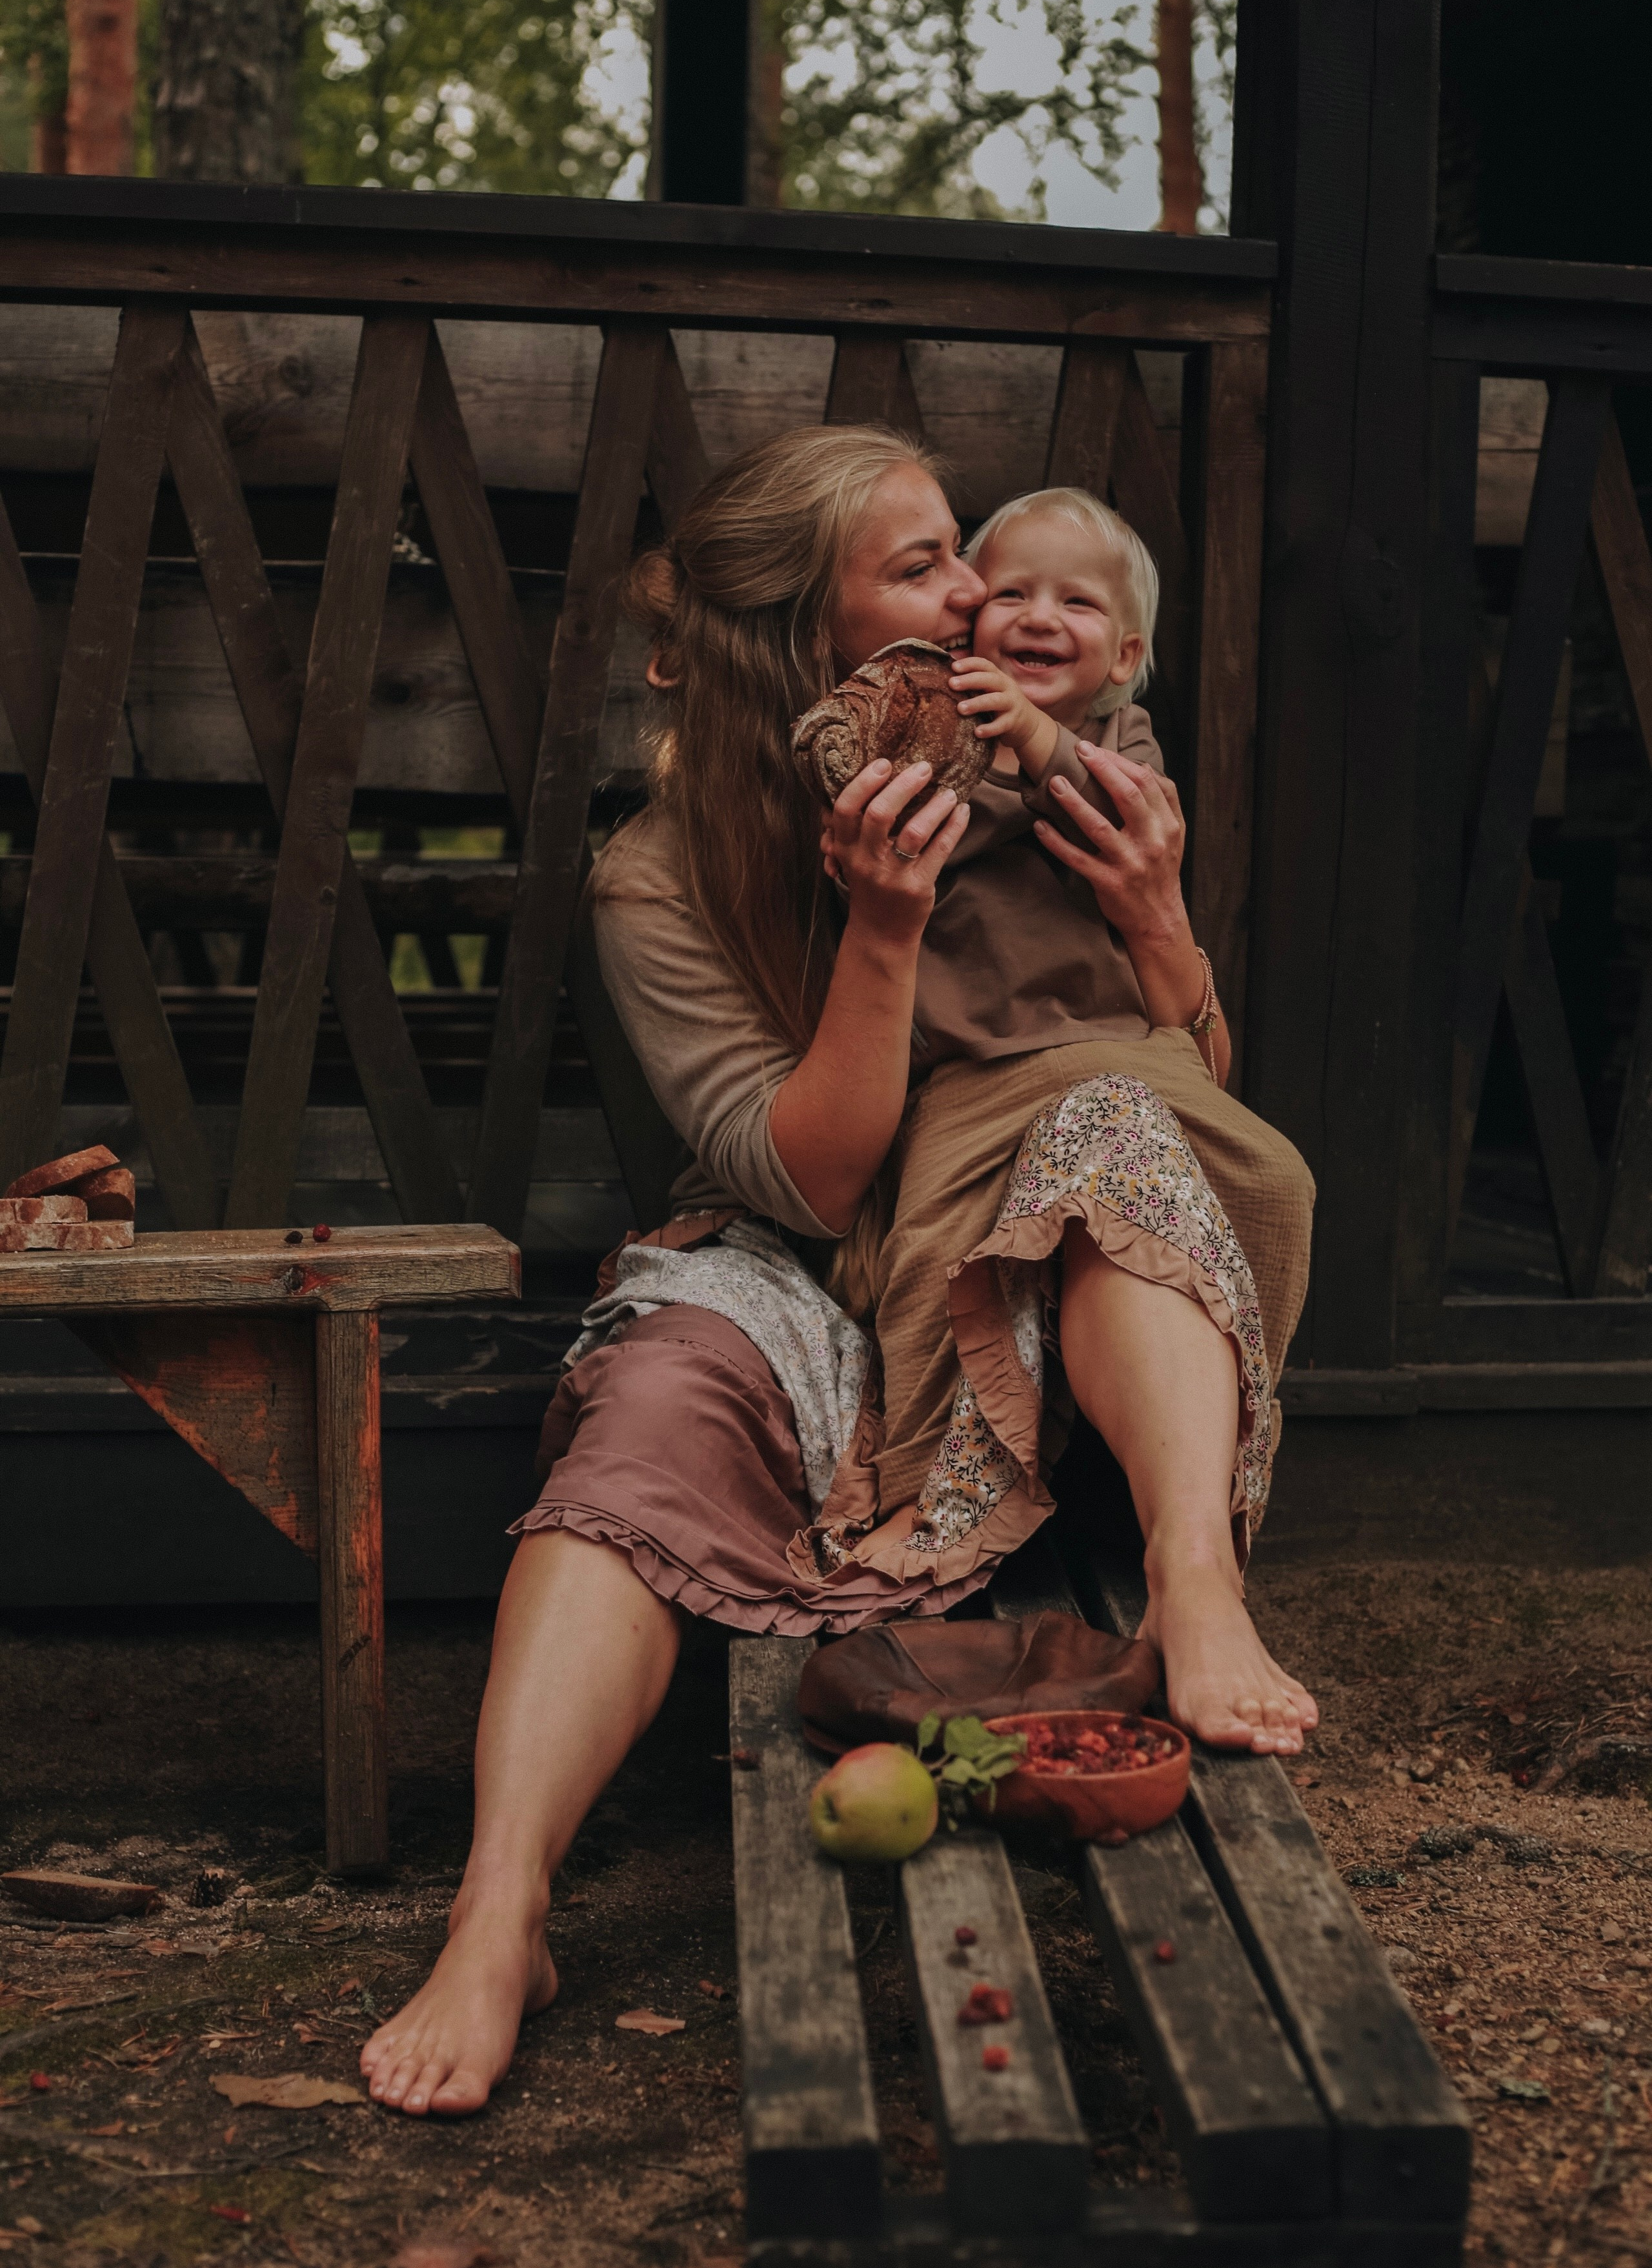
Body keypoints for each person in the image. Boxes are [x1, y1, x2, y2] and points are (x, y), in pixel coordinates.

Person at [359, 425, 1318, 2121]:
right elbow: (809, 1176)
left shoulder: (1036, 777)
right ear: (805, 635)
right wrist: (881, 932)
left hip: (1025, 1261)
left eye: (967, 554)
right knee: (638, 1427)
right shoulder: (658, 874)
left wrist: (1165, 922)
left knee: (1115, 1137)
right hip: (800, 1258)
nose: (978, 598)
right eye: (925, 565)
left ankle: (1194, 1580)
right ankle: (500, 1914)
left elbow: (1195, 1100)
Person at [797, 483, 1312, 1617]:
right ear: (965, 623)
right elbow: (883, 814)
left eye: (1076, 602)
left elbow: (1121, 811)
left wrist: (1035, 738)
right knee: (934, 1254)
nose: (1039, 614)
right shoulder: (935, 736)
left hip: (1129, 1055)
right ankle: (930, 1495)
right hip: (973, 1080)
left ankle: (1195, 1508)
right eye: (1013, 592)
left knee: (1271, 1177)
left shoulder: (1114, 740)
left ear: (1125, 652)